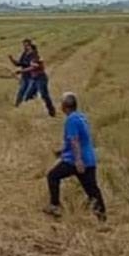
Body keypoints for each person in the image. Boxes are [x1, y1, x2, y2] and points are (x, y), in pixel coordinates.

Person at [44, 92, 106, 221]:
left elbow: (75, 140)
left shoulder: (71, 120)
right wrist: (62, 152)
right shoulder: (81, 117)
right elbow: (82, 139)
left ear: (64, 106)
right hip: (89, 159)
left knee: (52, 176)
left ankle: (55, 206)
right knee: (92, 189)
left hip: (75, 160)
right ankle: (102, 217)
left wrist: (78, 161)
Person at [18, 43, 57, 117]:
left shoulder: (36, 57)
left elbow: (34, 67)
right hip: (34, 79)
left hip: (40, 78)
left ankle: (51, 111)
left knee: (44, 95)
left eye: (29, 49)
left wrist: (22, 71)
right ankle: (33, 112)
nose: (27, 50)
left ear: (32, 50)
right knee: (28, 96)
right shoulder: (32, 57)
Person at [9, 39, 36, 107]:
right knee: (21, 91)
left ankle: (27, 106)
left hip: (32, 76)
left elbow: (31, 66)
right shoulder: (24, 54)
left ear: (30, 45)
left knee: (29, 92)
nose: (25, 47)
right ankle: (17, 105)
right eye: (24, 45)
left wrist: (20, 71)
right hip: (25, 76)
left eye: (27, 45)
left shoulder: (34, 55)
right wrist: (11, 59)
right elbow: (19, 64)